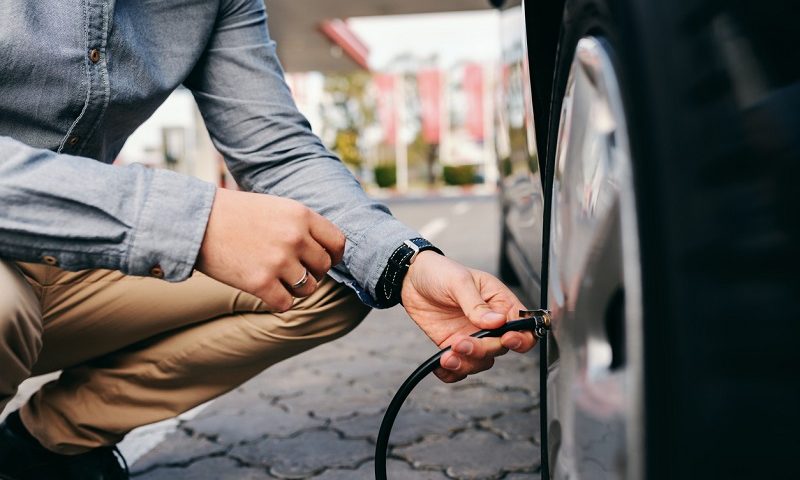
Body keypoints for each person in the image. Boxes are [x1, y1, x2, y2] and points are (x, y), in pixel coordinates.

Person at [0, 1, 536, 478]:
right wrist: (196, 223)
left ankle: (47, 445)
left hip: (72, 262)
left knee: (327, 268)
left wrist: (409, 265)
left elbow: (280, 151)